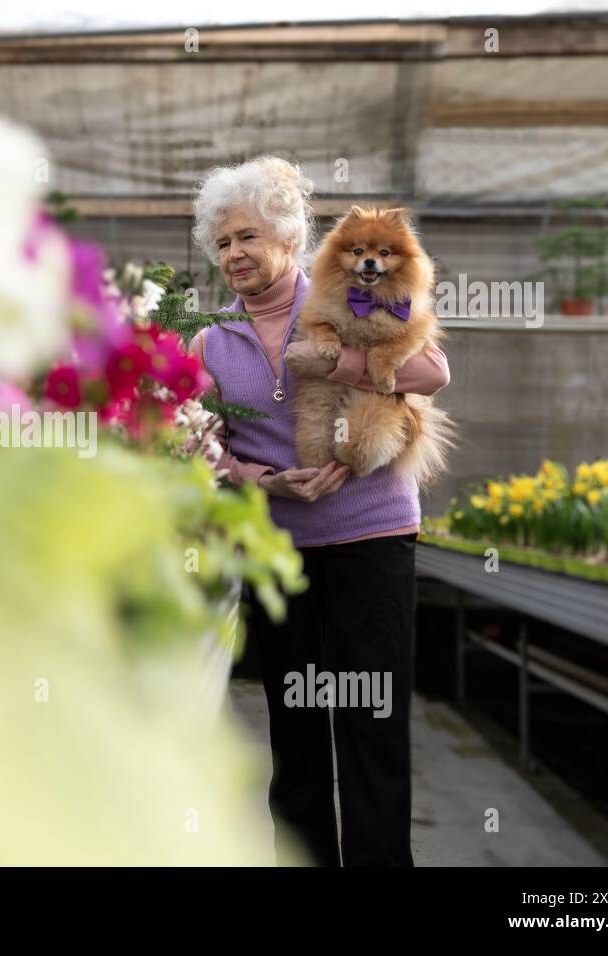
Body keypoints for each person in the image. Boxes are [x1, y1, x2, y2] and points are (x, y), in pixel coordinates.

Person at [188, 156, 450, 867]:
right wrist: (260, 478)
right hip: (281, 546)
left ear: (287, 238)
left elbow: (431, 371)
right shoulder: (210, 343)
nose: (234, 254)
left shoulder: (347, 302)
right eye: (222, 243)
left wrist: (338, 364)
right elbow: (199, 446)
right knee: (295, 727)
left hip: (372, 530)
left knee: (372, 720)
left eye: (247, 237)